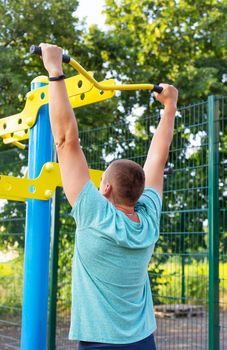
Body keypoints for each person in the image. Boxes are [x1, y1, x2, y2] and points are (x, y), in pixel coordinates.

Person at [40, 43, 178, 350]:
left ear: (105, 189)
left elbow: (66, 142)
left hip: (99, 344)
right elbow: (157, 158)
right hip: (143, 340)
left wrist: (55, 71)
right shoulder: (148, 218)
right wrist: (170, 107)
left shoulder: (95, 215)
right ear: (140, 194)